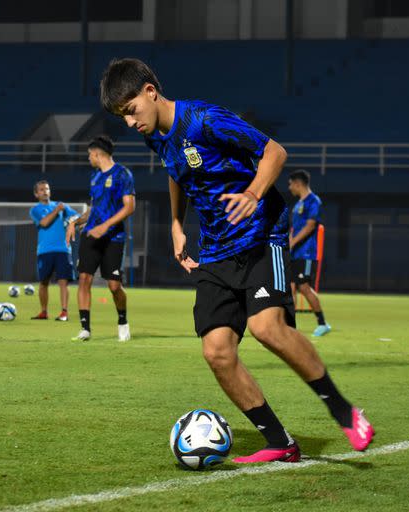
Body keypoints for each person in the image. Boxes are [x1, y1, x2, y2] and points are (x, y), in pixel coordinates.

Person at [99, 58, 373, 463]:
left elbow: (274, 153)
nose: (129, 122)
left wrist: (252, 194)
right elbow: (176, 171)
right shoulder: (155, 134)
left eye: (131, 110)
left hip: (263, 235)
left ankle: (343, 410)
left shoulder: (205, 120)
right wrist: (177, 224)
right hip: (215, 248)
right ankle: (280, 442)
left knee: (267, 328)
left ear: (151, 92)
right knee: (217, 351)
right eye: (122, 116)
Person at [66, 135, 135, 343]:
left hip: (114, 237)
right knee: (84, 279)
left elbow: (129, 207)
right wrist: (75, 222)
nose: (89, 158)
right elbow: (95, 209)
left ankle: (123, 322)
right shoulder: (95, 177)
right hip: (91, 236)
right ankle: (85, 329)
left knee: (114, 286)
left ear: (97, 154)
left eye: (89, 155)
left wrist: (105, 226)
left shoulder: (123, 174)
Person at [288, 170, 331, 337]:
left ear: (298, 184)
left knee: (304, 288)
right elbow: (294, 228)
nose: (290, 187)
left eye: (291, 184)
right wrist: (289, 243)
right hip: (295, 253)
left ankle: (322, 323)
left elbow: (311, 225)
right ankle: (290, 324)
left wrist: (293, 242)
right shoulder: (298, 204)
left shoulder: (314, 201)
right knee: (290, 287)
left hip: (306, 253)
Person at [29, 181, 80, 321]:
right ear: (36, 194)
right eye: (41, 190)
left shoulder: (62, 206)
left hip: (63, 249)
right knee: (43, 282)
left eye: (47, 189)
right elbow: (44, 223)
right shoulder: (35, 210)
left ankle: (64, 312)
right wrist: (57, 211)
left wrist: (72, 221)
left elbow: (77, 217)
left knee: (63, 281)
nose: (44, 191)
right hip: (44, 251)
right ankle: (44, 312)